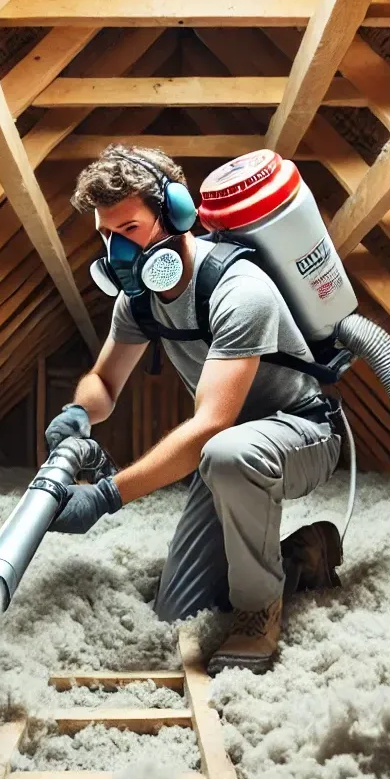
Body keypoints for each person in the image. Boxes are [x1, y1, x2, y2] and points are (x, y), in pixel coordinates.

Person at [44, 145, 343, 674]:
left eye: (130, 230)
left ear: (176, 214)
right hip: (226, 453)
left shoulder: (239, 290)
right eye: (106, 236)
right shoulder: (137, 300)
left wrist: (106, 497)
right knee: (178, 608)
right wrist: (79, 415)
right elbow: (104, 380)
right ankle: (301, 554)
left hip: (302, 435)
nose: (117, 252)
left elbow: (211, 426)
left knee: (228, 453)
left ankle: (259, 611)